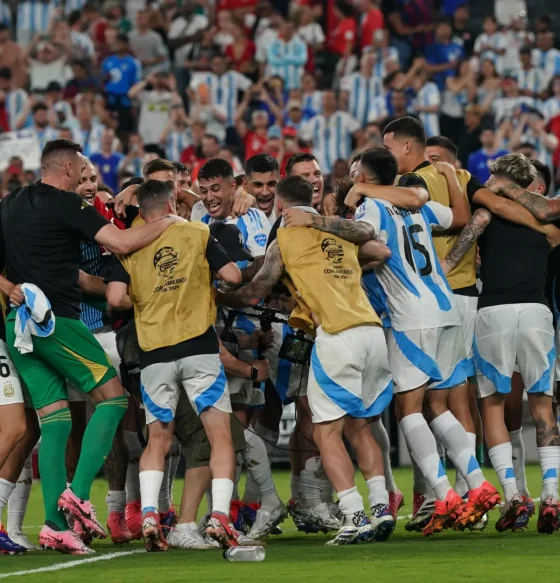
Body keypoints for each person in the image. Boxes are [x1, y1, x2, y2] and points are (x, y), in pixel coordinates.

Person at [1, 139, 182, 555]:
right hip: (56, 322)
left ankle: (53, 526)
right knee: (113, 399)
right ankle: (78, 496)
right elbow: (120, 244)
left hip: (17, 327)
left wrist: (9, 287)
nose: (85, 177)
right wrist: (168, 223)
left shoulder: (9, 204)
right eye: (81, 170)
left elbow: (79, 278)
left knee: (55, 422)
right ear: (66, 167)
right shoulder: (67, 204)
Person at [219, 175, 394, 546]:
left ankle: (354, 515)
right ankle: (381, 508)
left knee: (324, 432)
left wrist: (216, 298)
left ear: (281, 208)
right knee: (361, 427)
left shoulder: (285, 237)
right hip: (372, 332)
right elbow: (378, 249)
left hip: (337, 334)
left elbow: (255, 292)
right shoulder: (341, 233)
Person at [106, 179, 243, 551]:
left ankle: (150, 514)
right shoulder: (196, 231)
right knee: (219, 436)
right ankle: (218, 517)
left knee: (158, 439)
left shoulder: (129, 246)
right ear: (170, 206)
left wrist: (146, 295)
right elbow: (233, 275)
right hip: (198, 348)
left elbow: (115, 297)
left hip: (153, 354)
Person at [443, 154, 560, 534]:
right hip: (537, 312)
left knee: (492, 404)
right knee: (543, 405)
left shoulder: (484, 215)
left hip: (493, 311)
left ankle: (513, 496)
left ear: (498, 180)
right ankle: (552, 495)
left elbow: (454, 257)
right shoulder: (548, 223)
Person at [299, 90, 361, 176]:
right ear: (322, 101)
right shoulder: (314, 121)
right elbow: (306, 140)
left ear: (335, 101)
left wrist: (354, 156)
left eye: (330, 98)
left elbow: (359, 135)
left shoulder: (344, 117)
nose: (328, 101)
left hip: (342, 166)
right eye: (325, 99)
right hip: (321, 168)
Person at [243, 154, 280, 224]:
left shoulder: (292, 217)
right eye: (258, 185)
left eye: (271, 184)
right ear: (245, 184)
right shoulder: (235, 221)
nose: (265, 192)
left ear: (280, 182)